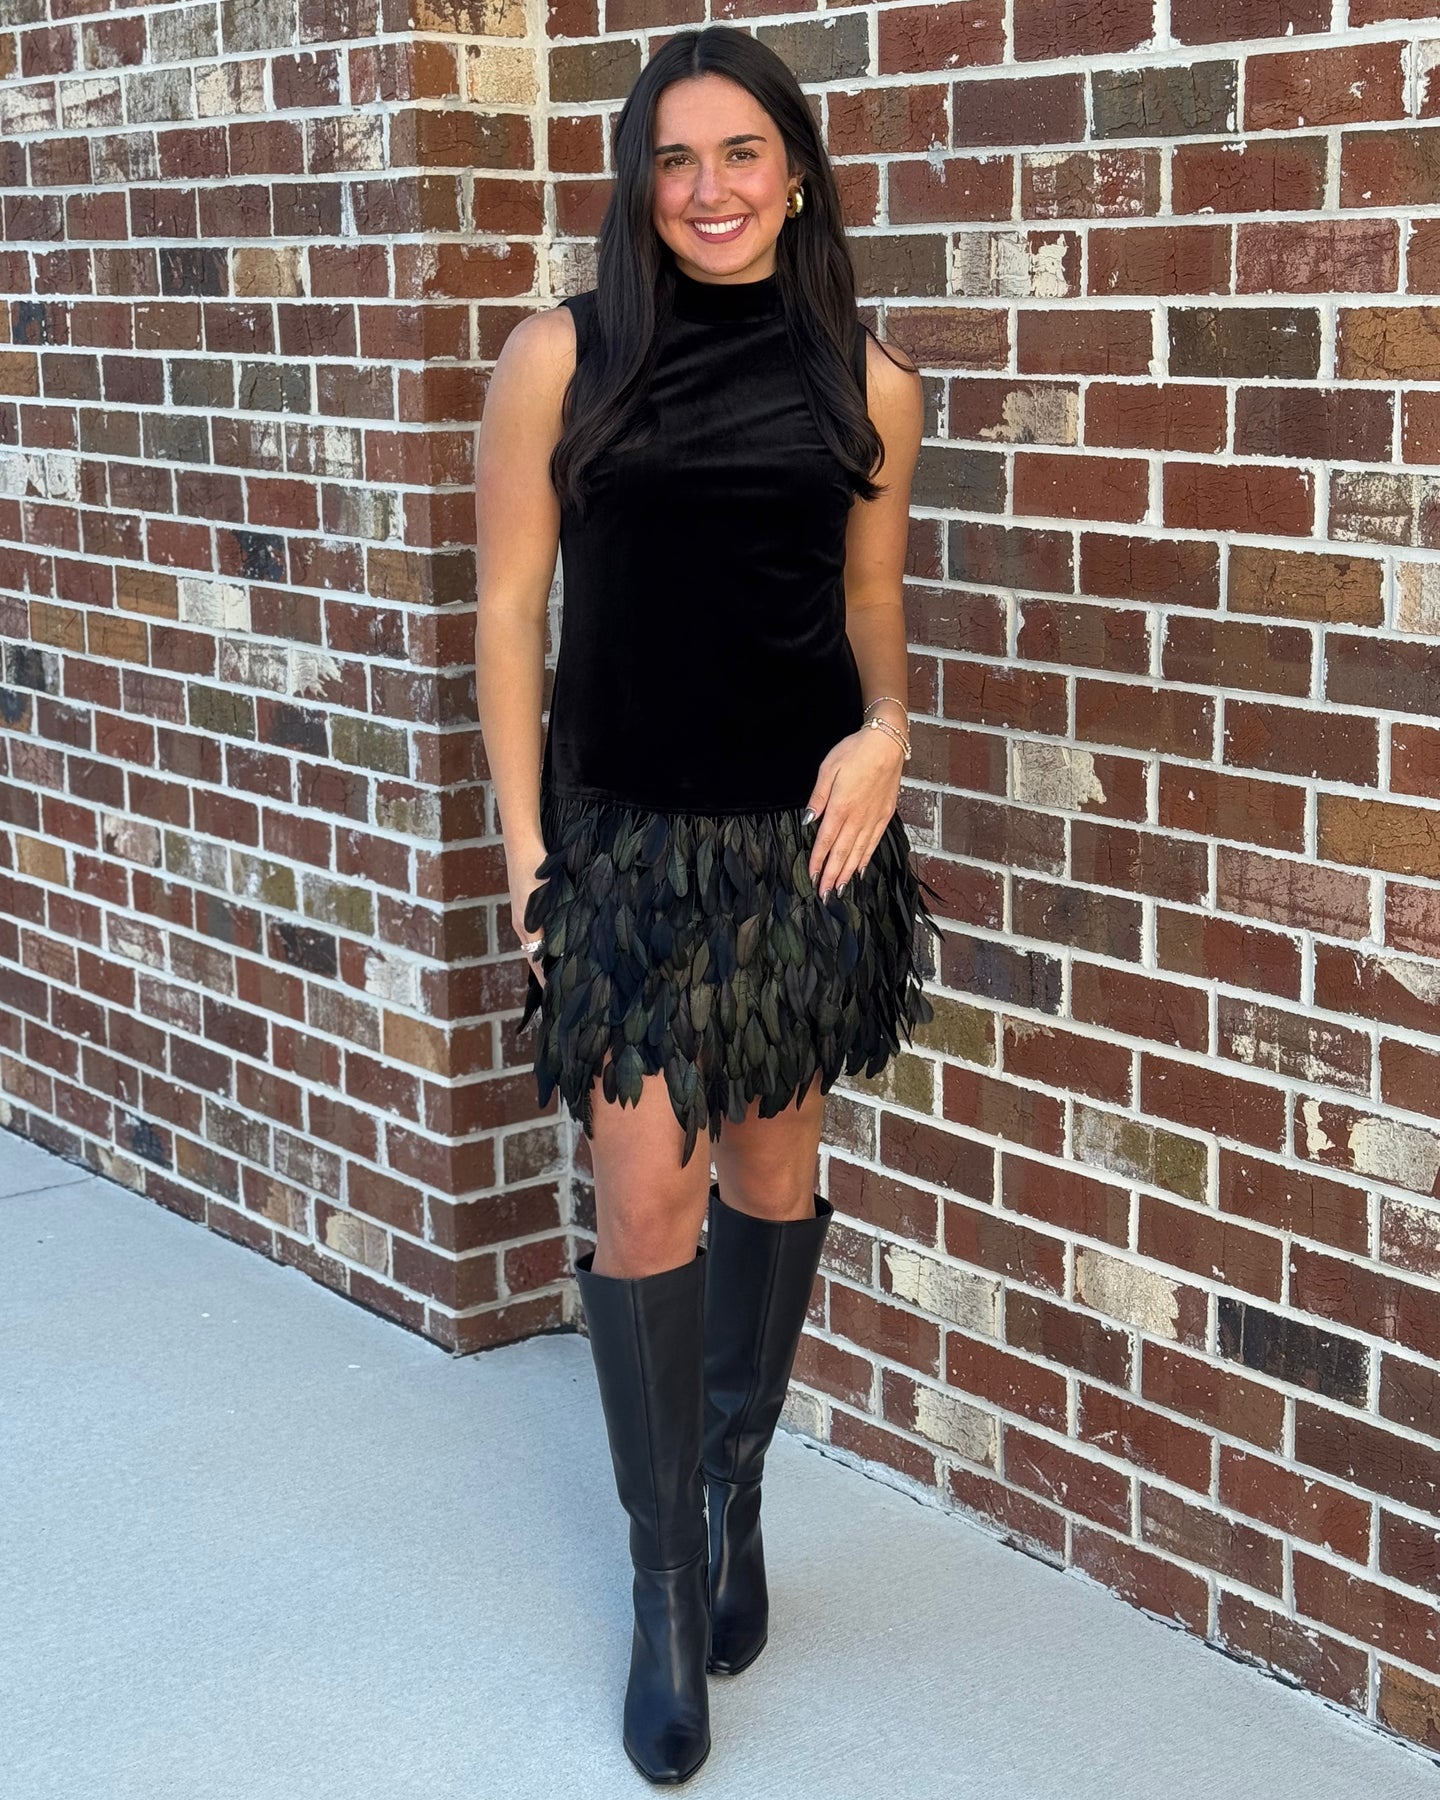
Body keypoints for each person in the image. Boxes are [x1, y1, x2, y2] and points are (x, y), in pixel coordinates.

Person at [473, 24, 939, 1786]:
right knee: (643, 1195)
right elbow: (509, 610)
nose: (709, 188)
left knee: (769, 1170)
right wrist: (526, 852)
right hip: (621, 849)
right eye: (675, 158)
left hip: (796, 852)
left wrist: (889, 730)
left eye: (741, 152)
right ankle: (666, 1583)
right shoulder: (564, 356)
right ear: (639, 181)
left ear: (795, 173)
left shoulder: (867, 380)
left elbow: (871, 603)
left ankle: (735, 1489)